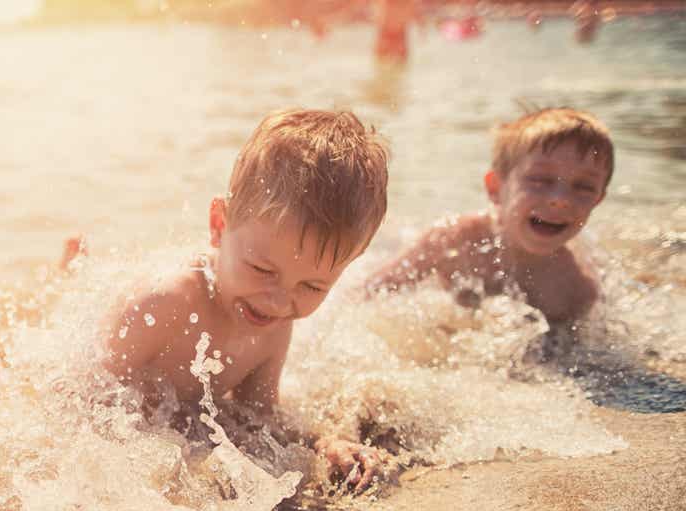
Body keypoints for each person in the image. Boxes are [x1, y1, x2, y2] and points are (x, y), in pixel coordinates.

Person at [84, 109, 394, 490]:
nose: (280, 302)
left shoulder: (272, 322)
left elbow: (257, 416)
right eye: (262, 270)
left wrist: (323, 444)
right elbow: (84, 397)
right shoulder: (164, 302)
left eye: (312, 287)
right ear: (219, 226)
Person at [366, 107, 613, 333]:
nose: (560, 200)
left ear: (598, 201)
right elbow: (372, 292)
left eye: (583, 186)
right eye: (540, 180)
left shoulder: (577, 289)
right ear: (495, 188)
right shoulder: (453, 239)